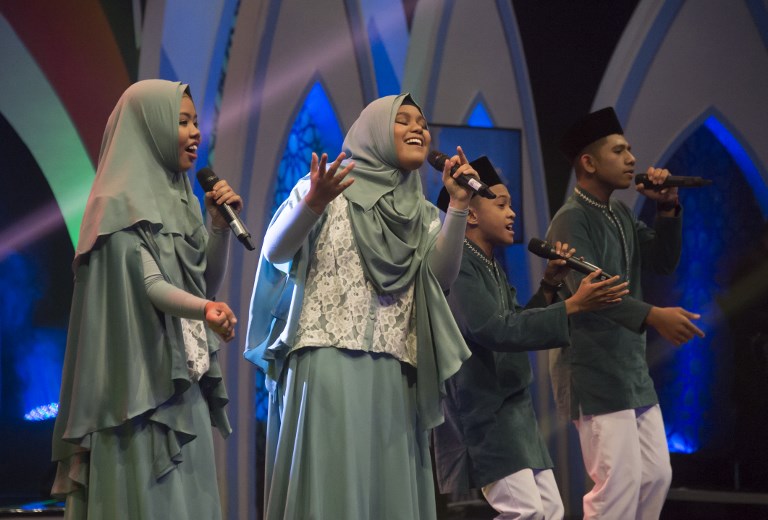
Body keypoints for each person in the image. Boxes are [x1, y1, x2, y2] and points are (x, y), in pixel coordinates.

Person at [245, 94, 474, 519]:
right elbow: (275, 253)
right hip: (326, 361)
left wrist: (457, 206)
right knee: (332, 489)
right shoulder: (326, 187)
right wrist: (313, 202)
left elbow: (440, 280)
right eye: (402, 120)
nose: (418, 128)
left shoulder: (423, 214)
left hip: (394, 370)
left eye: (422, 123)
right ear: (371, 132)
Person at [51, 79, 241, 519]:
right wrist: (204, 310)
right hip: (134, 393)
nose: (196, 132)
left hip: (180, 384)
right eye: (182, 122)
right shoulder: (115, 203)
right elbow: (151, 285)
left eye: (196, 122)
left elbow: (204, 282)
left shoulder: (185, 202)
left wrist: (217, 227)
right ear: (150, 126)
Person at [431, 156, 628, 520]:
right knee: (526, 512)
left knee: (550, 511)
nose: (512, 214)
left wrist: (551, 285)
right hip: (482, 410)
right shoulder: (458, 263)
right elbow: (493, 329)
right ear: (470, 215)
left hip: (513, 411)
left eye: (511, 206)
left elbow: (514, 321)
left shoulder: (487, 262)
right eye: (501, 204)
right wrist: (572, 307)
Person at [546, 107, 705, 519]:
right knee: (618, 486)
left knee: (654, 476)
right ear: (589, 162)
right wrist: (655, 315)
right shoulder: (571, 220)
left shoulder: (619, 214)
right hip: (593, 369)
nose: (633, 159)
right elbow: (596, 289)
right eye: (619, 151)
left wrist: (668, 208)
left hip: (630, 369)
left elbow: (663, 261)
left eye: (630, 150)